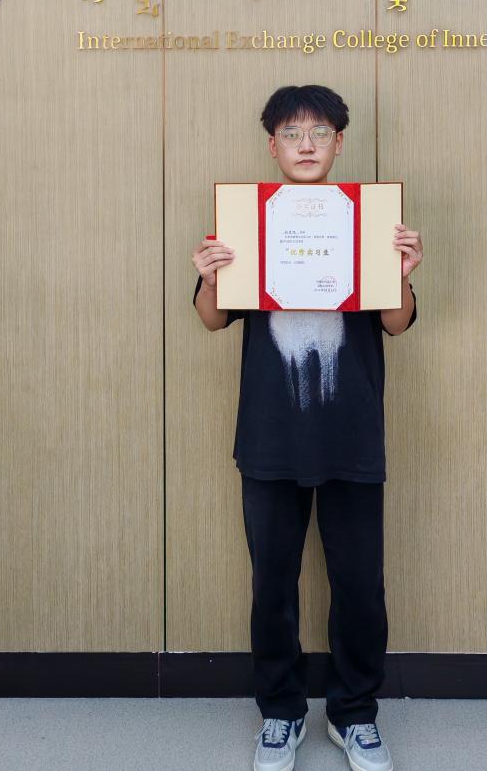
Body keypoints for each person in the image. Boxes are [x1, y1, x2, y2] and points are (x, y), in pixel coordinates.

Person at [191, 84, 423, 771]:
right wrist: (209, 276)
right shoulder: (246, 222)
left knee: (359, 583)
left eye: (319, 132)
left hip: (350, 431)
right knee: (273, 581)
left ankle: (355, 714)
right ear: (273, 146)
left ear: (338, 142)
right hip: (270, 433)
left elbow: (397, 322)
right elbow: (212, 318)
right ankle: (282, 711)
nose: (306, 144)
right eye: (292, 133)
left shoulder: (369, 221)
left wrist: (402, 270)